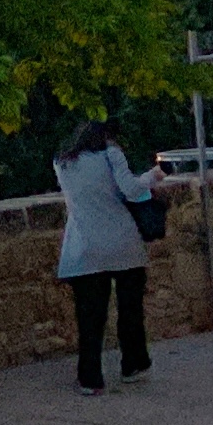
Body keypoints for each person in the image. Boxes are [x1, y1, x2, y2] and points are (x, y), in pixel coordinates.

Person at [49, 117, 159, 394]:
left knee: (90, 317)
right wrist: (153, 176)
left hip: (83, 245)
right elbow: (131, 190)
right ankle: (133, 363)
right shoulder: (111, 155)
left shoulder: (63, 162)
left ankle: (90, 377)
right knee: (130, 309)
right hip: (122, 241)